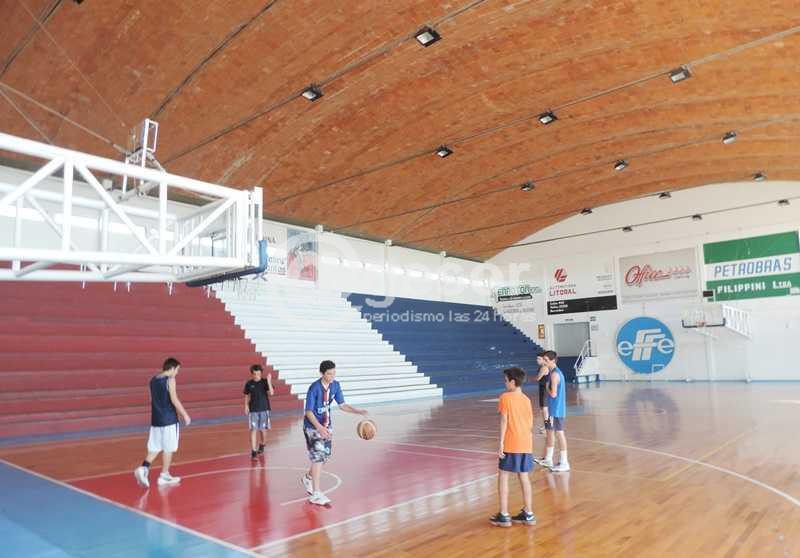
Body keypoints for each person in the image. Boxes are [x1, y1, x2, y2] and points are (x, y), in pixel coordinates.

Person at [301, 360, 368, 505]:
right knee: (318, 458)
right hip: (313, 426)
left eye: (334, 373)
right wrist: (319, 428)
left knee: (325, 457)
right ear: (322, 373)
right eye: (329, 374)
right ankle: (316, 493)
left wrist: (357, 411)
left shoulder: (335, 385)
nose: (332, 376)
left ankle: (308, 478)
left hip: (327, 426)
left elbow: (342, 405)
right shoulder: (314, 388)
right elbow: (308, 412)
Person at [134, 357, 191, 488]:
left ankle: (143, 468)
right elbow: (174, 399)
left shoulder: (153, 380)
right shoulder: (170, 380)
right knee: (168, 448)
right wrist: (185, 414)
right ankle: (164, 475)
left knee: (155, 447)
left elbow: (153, 399)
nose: (177, 373)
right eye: (177, 370)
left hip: (156, 420)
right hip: (169, 419)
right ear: (172, 368)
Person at [490, 367, 536, 527]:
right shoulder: (526, 399)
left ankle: (503, 515)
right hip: (526, 443)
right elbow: (530, 423)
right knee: (524, 476)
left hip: (511, 442)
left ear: (513, 381)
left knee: (503, 475)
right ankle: (528, 513)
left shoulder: (505, 397)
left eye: (506, 380)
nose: (504, 383)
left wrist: (501, 443)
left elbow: (504, 420)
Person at [535, 350, 570, 472]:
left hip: (556, 410)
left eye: (546, 360)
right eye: (543, 359)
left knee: (559, 434)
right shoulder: (553, 372)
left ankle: (564, 462)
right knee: (549, 431)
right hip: (552, 409)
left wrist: (546, 387)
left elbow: (553, 394)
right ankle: (548, 458)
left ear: (553, 361)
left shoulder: (555, 374)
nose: (544, 362)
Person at [244, 364, 274, 459]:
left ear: (261, 373)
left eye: (258, 374)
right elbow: (247, 395)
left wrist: (269, 381)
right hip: (253, 410)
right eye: (255, 374)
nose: (256, 376)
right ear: (252, 374)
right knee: (253, 429)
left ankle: (262, 443)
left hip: (264, 409)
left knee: (263, 430)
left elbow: (271, 393)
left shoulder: (265, 382)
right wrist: (246, 406)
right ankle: (253, 451)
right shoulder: (249, 384)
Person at [534, 352, 550, 434]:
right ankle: (546, 425)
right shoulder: (541, 367)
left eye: (539, 359)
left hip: (545, 390)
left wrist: (529, 378)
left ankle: (547, 427)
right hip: (542, 389)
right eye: (537, 358)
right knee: (543, 409)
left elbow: (538, 378)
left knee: (544, 409)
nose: (537, 360)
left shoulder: (544, 368)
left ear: (544, 360)